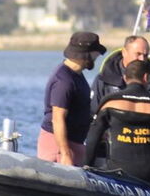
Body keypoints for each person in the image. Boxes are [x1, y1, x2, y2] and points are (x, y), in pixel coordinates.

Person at [83, 60, 150, 182]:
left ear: (124, 77)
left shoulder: (110, 103)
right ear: (146, 77)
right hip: (149, 173)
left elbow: (93, 138)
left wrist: (87, 167)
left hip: (116, 171)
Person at [38, 31, 107, 166]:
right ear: (87, 55)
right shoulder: (64, 81)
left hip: (75, 143)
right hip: (58, 146)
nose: (98, 56)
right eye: (96, 52)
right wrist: (65, 154)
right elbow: (57, 119)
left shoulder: (76, 75)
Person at [89, 35, 150, 114]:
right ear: (124, 53)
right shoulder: (104, 78)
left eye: (145, 55)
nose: (142, 59)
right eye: (138, 54)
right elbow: (93, 111)